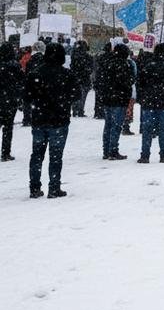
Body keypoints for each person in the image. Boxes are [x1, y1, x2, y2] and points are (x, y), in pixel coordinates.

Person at [24, 42, 78, 198]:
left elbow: (27, 96)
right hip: (59, 120)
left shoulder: (35, 73)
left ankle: (34, 187)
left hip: (39, 119)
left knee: (36, 155)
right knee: (56, 156)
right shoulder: (66, 74)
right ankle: (54, 187)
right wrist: (64, 99)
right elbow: (76, 94)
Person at [135, 43, 164, 163]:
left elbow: (139, 83)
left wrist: (143, 98)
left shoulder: (148, 67)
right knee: (163, 129)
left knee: (147, 130)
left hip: (149, 102)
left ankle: (145, 155)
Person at [102, 44, 135, 160]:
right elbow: (128, 81)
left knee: (108, 125)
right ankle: (113, 150)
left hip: (108, 98)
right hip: (120, 99)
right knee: (116, 126)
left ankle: (106, 150)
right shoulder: (124, 65)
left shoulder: (108, 63)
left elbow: (102, 80)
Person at [0, 43, 24, 161]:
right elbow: (21, 81)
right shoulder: (15, 65)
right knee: (8, 127)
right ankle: (5, 153)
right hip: (10, 100)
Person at [69, 40, 94, 117]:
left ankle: (75, 110)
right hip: (84, 79)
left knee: (75, 95)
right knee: (83, 96)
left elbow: (72, 66)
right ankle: (80, 110)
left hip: (75, 78)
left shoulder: (74, 55)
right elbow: (91, 68)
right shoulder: (88, 56)